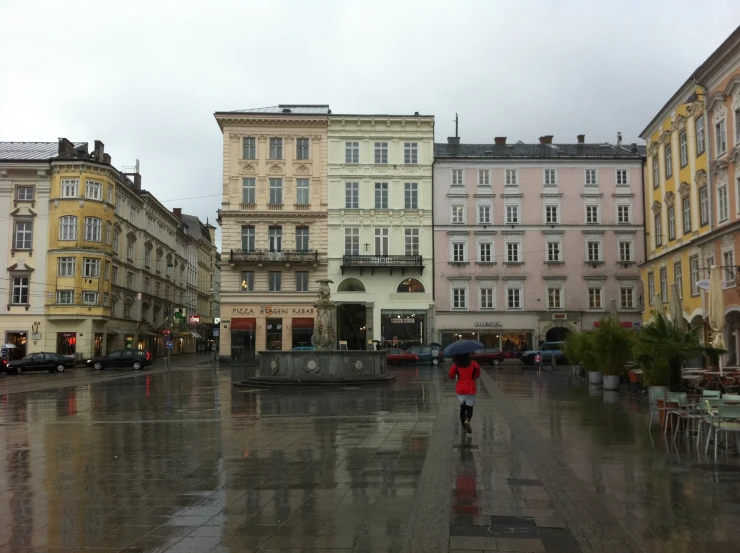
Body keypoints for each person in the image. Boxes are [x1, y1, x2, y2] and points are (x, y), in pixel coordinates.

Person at [449, 353, 481, 434]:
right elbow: (477, 375)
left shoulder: (456, 365)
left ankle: (463, 426)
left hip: (460, 389)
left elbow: (451, 375)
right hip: (470, 388)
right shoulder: (474, 364)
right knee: (470, 408)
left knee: (462, 408)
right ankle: (468, 420)